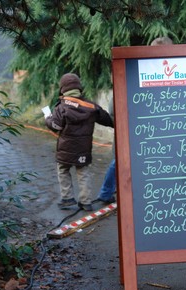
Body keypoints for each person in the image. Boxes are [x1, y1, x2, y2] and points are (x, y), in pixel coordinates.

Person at [92, 36, 175, 208]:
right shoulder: (135, 73)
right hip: (134, 136)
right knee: (122, 163)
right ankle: (108, 193)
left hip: (161, 138)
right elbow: (115, 107)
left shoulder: (176, 74)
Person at [46, 73, 113, 211]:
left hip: (65, 148)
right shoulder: (91, 106)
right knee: (83, 173)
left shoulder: (61, 107)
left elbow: (56, 126)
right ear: (79, 88)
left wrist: (47, 117)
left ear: (62, 89)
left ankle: (67, 198)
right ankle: (86, 202)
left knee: (63, 170)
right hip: (83, 148)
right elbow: (108, 120)